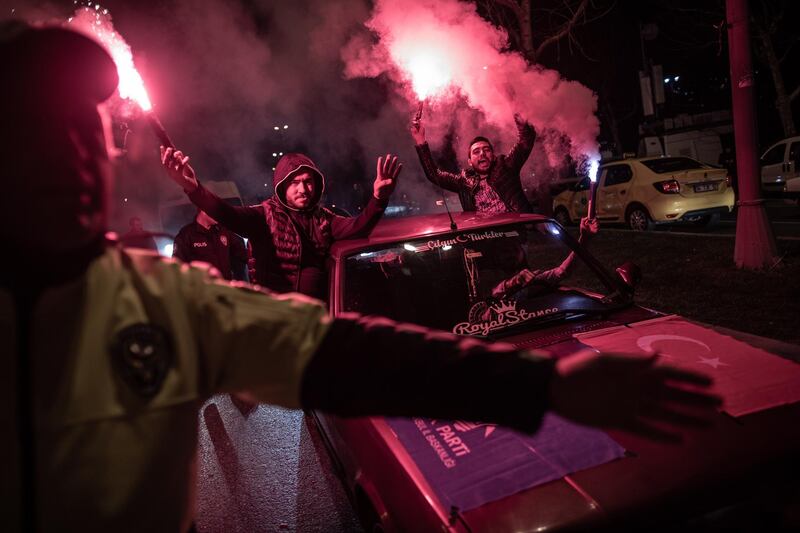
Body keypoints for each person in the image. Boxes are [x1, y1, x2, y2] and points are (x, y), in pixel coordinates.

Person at [0, 23, 721, 532]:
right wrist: (197, 196)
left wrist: (546, 387)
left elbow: (357, 354)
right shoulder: (254, 222)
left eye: (85, 132)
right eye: (38, 131)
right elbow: (230, 212)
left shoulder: (170, 303)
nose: (71, 156)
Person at [160, 147, 400, 299]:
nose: (303, 188)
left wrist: (379, 198)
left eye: (308, 182)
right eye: (295, 182)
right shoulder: (264, 216)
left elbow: (359, 228)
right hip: (280, 321)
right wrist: (193, 187)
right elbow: (226, 213)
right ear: (283, 187)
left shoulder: (324, 218)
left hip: (320, 318)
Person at [411, 112, 536, 213]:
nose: (482, 153)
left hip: (519, 233)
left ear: (493, 156)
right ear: (470, 162)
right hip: (485, 239)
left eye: (486, 150)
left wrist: (514, 108)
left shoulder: (506, 167)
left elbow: (526, 140)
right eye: (476, 151)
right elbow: (434, 175)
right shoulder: (464, 182)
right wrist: (420, 140)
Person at [172, 209, 248, 282]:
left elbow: (241, 253)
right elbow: (178, 265)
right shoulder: (186, 234)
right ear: (203, 210)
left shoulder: (223, 230)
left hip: (226, 287)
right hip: (204, 291)